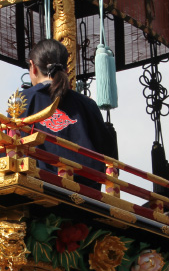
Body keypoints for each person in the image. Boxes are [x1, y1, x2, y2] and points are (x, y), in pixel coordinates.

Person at [20, 39, 115, 190]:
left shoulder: (22, 100)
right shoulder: (87, 104)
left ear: (33, 67)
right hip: (86, 193)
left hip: (39, 189)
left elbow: (9, 147)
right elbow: (108, 152)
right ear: (66, 68)